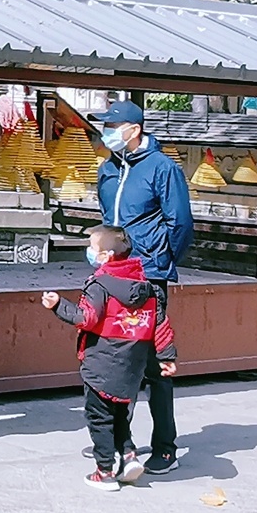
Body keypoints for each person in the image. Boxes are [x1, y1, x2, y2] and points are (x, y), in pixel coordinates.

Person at [92, 100, 190, 475]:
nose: (107, 132)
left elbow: (179, 222)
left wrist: (159, 262)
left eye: (112, 125)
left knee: (154, 363)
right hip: (112, 276)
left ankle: (165, 446)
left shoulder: (162, 168)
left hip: (147, 276)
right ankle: (122, 444)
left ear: (133, 129)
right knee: (117, 359)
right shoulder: (109, 169)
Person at [43, 225, 178, 489]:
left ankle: (104, 470)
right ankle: (128, 456)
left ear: (104, 256)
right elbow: (160, 324)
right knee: (118, 412)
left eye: (92, 248)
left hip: (101, 361)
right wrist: (166, 357)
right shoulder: (147, 287)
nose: (89, 253)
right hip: (133, 365)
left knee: (99, 417)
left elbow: (86, 318)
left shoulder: (99, 285)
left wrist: (58, 305)